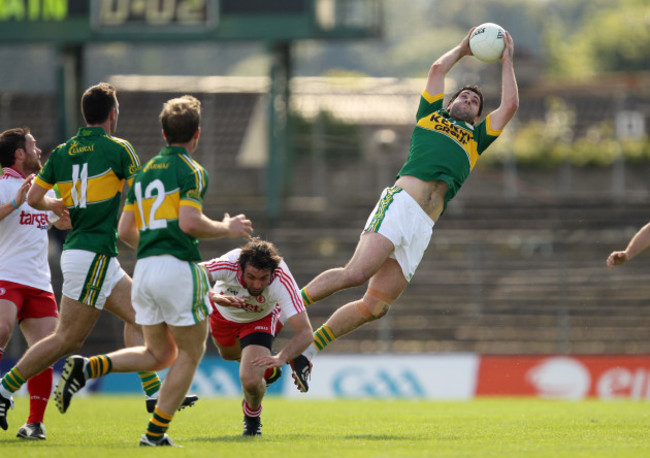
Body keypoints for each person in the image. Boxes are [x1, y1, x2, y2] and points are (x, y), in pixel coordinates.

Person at [296, 28, 519, 373]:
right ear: (450, 103)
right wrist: (462, 48)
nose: (469, 101)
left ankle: (307, 352)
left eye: (475, 103)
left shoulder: (476, 139)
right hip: (400, 205)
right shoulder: (430, 117)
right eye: (463, 97)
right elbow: (436, 70)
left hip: (423, 226)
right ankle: (284, 306)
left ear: (477, 118)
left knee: (375, 307)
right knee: (356, 273)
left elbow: (511, 105)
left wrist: (507, 61)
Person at [54, 95, 253, 447]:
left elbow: (125, 230)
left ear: (163, 133)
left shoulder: (144, 173)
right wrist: (227, 228)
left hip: (144, 269)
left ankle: (89, 367)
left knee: (158, 354)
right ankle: (154, 433)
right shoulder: (192, 171)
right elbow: (189, 221)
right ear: (197, 134)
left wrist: (154, 246)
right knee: (190, 353)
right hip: (176, 268)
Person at [0, 83, 195, 433]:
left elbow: (33, 199)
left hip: (91, 255)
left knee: (143, 316)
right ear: (113, 113)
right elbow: (138, 198)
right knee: (67, 339)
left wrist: (54, 204)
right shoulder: (120, 149)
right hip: (92, 254)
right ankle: (4, 389)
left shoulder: (62, 152)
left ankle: (153, 393)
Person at [0, 128, 71, 439]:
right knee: (1, 329)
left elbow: (63, 220)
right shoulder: (3, 185)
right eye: (33, 146)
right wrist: (15, 203)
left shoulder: (40, 192)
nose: (39, 150)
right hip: (6, 275)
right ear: (19, 153)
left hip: (39, 282)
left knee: (45, 350)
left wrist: (69, 209)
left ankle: (34, 423)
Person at [202, 238, 313, 436]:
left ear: (272, 273)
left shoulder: (281, 279)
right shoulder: (229, 263)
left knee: (251, 380)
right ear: (240, 268)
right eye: (251, 277)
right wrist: (215, 297)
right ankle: (268, 373)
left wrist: (282, 357)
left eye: (263, 278)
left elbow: (305, 332)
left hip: (259, 320)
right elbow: (190, 276)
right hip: (222, 314)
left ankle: (252, 419)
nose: (257, 284)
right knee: (227, 355)